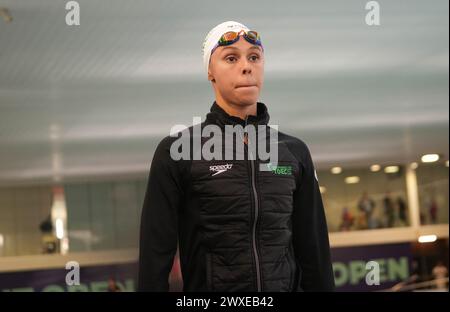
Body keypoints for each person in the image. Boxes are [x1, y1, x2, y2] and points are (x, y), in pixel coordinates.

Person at [138, 21, 334, 292]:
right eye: (231, 58)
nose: (246, 66)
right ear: (210, 71)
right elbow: (154, 254)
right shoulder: (178, 151)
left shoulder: (293, 152)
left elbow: (315, 251)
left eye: (254, 57)